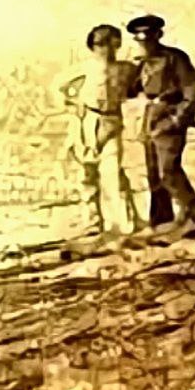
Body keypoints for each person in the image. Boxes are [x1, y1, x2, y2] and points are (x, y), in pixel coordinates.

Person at [125, 14, 195, 232]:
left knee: (168, 171)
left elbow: (193, 89)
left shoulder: (175, 58)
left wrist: (178, 118)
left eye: (147, 38)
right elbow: (132, 89)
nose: (143, 43)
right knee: (154, 174)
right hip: (150, 119)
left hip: (169, 119)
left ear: (158, 36)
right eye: (139, 39)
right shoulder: (142, 63)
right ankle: (162, 219)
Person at [58, 24, 141, 235]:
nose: (106, 49)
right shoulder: (83, 68)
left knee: (113, 172)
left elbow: (137, 88)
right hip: (86, 122)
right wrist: (73, 105)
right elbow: (59, 88)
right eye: (100, 44)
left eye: (111, 44)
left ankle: (126, 223)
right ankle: (93, 223)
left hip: (111, 121)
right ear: (93, 46)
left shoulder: (126, 69)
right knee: (88, 174)